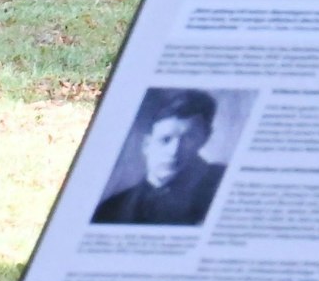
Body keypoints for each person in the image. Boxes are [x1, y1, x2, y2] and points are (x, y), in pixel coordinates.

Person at [92, 89, 228, 226]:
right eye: (165, 139)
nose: (174, 151)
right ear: (146, 144)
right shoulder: (110, 209)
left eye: (188, 139)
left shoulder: (220, 184)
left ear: (204, 139)